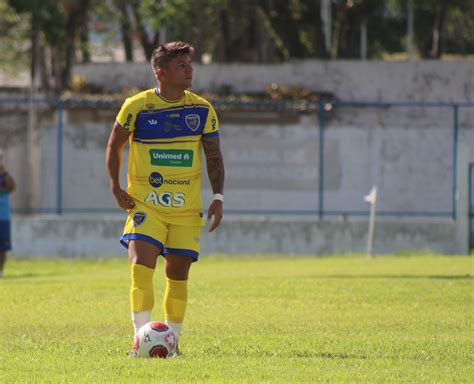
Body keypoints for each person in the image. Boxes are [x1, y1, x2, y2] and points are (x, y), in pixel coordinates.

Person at [106, 41, 225, 356]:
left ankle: (171, 343)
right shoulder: (136, 106)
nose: (189, 70)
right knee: (140, 265)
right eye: (181, 65)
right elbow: (113, 146)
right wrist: (116, 188)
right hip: (145, 205)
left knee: (178, 273)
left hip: (186, 211)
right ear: (160, 71)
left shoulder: (201, 109)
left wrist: (218, 196)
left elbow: (213, 156)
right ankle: (138, 341)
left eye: (189, 64)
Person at [0, 149, 16, 278]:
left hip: (3, 217)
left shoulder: (5, 176)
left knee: (3, 247)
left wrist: (4, 173)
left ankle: (0, 272)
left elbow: (12, 186)